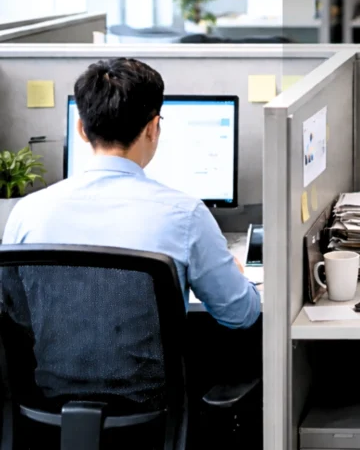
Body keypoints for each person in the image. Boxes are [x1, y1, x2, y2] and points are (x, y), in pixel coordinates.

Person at [2, 58, 260, 330]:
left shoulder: (26, 212)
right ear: (152, 128)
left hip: (50, 374)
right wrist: (233, 273)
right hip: (150, 374)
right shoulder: (187, 216)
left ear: (81, 129)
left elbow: (14, 314)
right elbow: (240, 314)